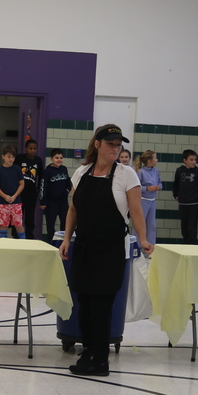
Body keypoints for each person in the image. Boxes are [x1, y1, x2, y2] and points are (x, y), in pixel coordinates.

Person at [59, 124, 153, 377]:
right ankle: (88, 351)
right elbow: (73, 209)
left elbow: (135, 211)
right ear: (97, 144)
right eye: (110, 143)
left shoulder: (126, 175)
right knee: (85, 303)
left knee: (102, 304)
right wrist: (67, 239)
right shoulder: (81, 172)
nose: (115, 148)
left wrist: (143, 239)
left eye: (118, 144)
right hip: (85, 246)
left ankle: (100, 359)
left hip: (111, 248)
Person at [173, 149, 198, 244]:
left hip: (194, 203)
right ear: (185, 160)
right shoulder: (179, 171)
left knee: (192, 227)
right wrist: (175, 195)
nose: (194, 162)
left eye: (195, 160)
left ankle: (191, 245)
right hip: (183, 202)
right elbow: (176, 184)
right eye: (191, 159)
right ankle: (186, 244)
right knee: (184, 226)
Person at [0, 145, 26, 239]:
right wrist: (5, 196)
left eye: (12, 157)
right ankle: (3, 243)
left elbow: (22, 184)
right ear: (3, 156)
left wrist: (14, 196)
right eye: (8, 157)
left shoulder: (17, 169)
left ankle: (23, 243)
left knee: (18, 223)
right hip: (3, 202)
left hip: (16, 201)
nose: (11, 159)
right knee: (3, 224)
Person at [39, 148, 71, 243]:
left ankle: (63, 242)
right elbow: (43, 186)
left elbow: (68, 182)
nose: (59, 160)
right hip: (51, 201)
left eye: (61, 158)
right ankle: (50, 241)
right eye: (56, 158)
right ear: (51, 158)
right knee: (50, 223)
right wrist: (42, 201)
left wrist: (67, 190)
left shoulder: (64, 169)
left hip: (63, 201)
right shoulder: (48, 171)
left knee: (65, 222)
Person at [15, 139, 43, 240]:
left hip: (31, 192)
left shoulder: (38, 160)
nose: (32, 151)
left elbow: (41, 176)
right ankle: (16, 234)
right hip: (20, 191)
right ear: (26, 148)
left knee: (30, 215)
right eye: (30, 148)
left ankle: (30, 235)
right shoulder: (19, 158)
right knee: (18, 214)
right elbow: (14, 172)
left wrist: (38, 189)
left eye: (34, 149)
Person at [134, 150, 162, 245]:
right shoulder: (140, 172)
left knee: (151, 225)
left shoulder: (155, 171)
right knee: (140, 225)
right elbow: (137, 187)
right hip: (143, 201)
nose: (157, 160)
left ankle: (151, 248)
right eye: (155, 158)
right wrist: (147, 188)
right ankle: (137, 248)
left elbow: (160, 182)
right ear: (149, 160)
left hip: (152, 201)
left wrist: (158, 187)